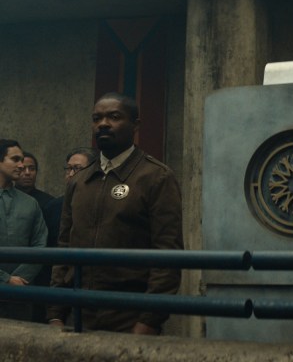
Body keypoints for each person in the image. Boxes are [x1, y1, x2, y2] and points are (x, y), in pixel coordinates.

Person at [48, 93, 184, 334]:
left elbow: (167, 255)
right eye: (97, 118)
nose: (103, 124)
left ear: (135, 125)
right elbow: (64, 248)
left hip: (129, 315)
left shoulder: (156, 177)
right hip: (78, 314)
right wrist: (55, 315)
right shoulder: (79, 181)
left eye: (114, 117)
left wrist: (149, 321)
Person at [31, 147, 97, 323]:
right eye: (68, 168)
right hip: (58, 285)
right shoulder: (52, 207)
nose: (70, 174)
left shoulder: (101, 204)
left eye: (77, 169)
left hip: (92, 288)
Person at [0, 139, 48, 321]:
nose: (21, 165)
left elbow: (40, 244)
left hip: (21, 294)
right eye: (15, 159)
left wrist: (20, 278)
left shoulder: (30, 203)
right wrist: (5, 279)